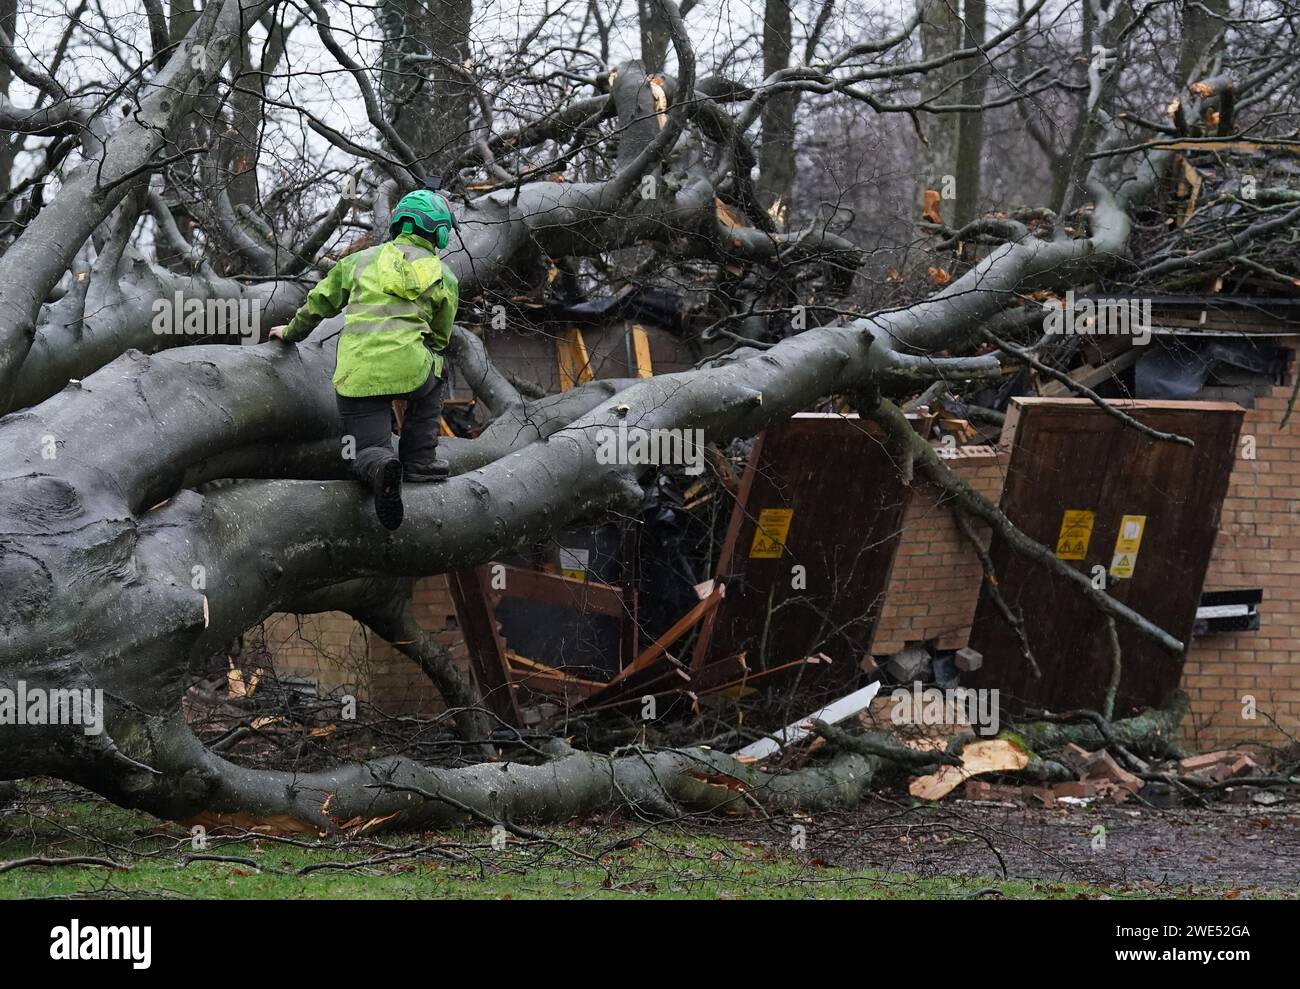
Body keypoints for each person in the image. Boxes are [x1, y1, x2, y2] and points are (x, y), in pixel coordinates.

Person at [270, 190, 458, 530]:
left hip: (358, 375)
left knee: (366, 450)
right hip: (413, 371)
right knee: (436, 372)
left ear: (400, 222)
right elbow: (441, 338)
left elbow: (319, 304)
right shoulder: (445, 275)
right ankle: (419, 460)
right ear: (440, 231)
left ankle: (381, 465)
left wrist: (292, 331)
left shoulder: (358, 261)